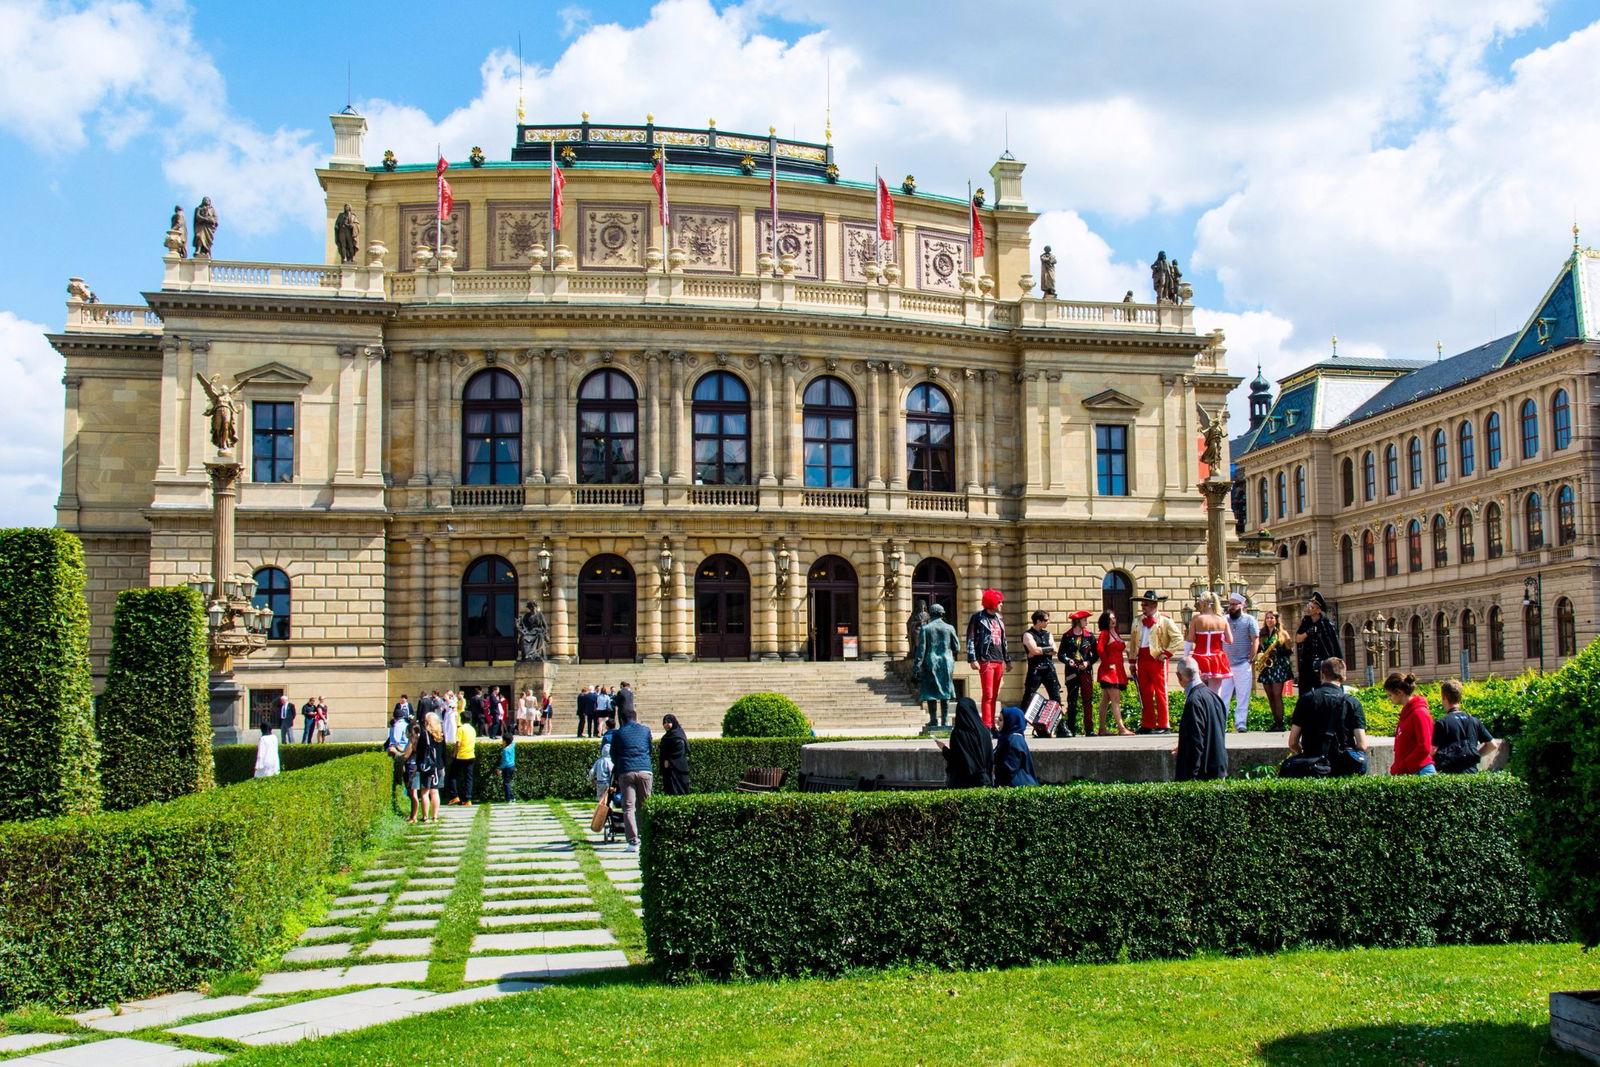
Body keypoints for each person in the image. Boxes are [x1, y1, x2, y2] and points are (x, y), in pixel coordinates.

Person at [1286, 657, 1368, 776]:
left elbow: (1293, 742)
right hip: (1343, 768)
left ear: (1322, 675)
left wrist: (1302, 754)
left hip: (1312, 766)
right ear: (1343, 677)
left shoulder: (1306, 699)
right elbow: (1362, 744)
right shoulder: (1352, 702)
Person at [1131, 590, 1184, 733]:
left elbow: (1178, 638)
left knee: (1160, 692)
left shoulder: (1165, 620)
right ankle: (1148, 724)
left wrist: (1166, 653)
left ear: (1154, 605)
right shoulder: (1137, 620)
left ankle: (1164, 724)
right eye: (1142, 604)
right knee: (1145, 692)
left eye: (1146, 604)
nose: (1143, 607)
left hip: (1157, 659)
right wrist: (1132, 661)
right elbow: (1133, 642)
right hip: (1142, 658)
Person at [1172, 654, 1227, 781]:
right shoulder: (1214, 697)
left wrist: (1191, 777)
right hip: (1218, 768)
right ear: (1200, 673)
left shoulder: (1194, 701)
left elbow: (1196, 740)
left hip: (1203, 773)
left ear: (1179, 676)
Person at [965, 588, 1011, 730]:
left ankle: (993, 725)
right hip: (986, 660)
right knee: (988, 694)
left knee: (995, 695)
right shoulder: (978, 618)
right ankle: (987, 725)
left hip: (998, 660)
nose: (1002, 604)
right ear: (992, 602)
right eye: (999, 602)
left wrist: (1007, 660)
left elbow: (1004, 641)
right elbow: (971, 638)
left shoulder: (1000, 619)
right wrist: (972, 658)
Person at [610, 707, 654, 852]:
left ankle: (633, 841)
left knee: (628, 807)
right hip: (645, 769)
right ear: (636, 717)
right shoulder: (645, 730)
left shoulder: (618, 733)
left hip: (626, 771)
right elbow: (650, 748)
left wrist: (619, 765)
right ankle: (646, 836)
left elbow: (613, 754)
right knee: (645, 804)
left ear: (622, 719)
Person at [1433, 679, 1498, 773]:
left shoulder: (1442, 723)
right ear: (1459, 697)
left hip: (1450, 775)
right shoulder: (1474, 721)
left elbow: (1432, 751)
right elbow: (1492, 745)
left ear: (1444, 697)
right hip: (1471, 774)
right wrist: (1475, 756)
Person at [1217, 592, 1260, 731]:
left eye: (1235, 604)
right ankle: (1221, 724)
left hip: (1242, 664)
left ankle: (1240, 723)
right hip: (1225, 665)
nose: (1232, 607)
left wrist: (1251, 658)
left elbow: (1255, 639)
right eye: (1230, 604)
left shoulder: (1249, 620)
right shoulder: (1224, 619)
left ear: (1242, 605)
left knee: (1243, 695)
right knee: (1223, 696)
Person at [1021, 610, 1064, 734]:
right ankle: (1019, 725)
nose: (1048, 622)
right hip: (1035, 670)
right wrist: (1043, 650)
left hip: (1049, 669)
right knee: (1028, 696)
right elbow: (1033, 650)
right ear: (1038, 621)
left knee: (1056, 697)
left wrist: (1039, 650)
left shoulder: (1048, 634)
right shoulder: (1027, 634)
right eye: (1045, 620)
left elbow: (1054, 650)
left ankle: (1060, 726)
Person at [936, 696, 993, 788]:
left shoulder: (958, 733)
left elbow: (956, 759)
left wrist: (943, 748)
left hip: (964, 783)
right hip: (985, 780)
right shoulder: (984, 730)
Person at [1386, 672, 1436, 776]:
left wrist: (1402, 766)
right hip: (1412, 771)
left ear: (1399, 692)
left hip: (1421, 771)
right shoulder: (1408, 713)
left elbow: (1424, 747)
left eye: (1390, 695)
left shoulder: (1419, 713)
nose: (1389, 698)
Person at [1058, 610, 1098, 737]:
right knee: (1072, 700)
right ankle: (1071, 728)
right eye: (1084, 620)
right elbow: (1060, 654)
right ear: (1078, 621)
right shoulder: (1067, 636)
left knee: (1088, 700)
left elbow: (1095, 655)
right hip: (1071, 672)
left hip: (1085, 671)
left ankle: (1089, 729)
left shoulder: (1089, 636)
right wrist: (1067, 660)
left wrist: (1088, 662)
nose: (1087, 622)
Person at [1294, 592, 1341, 698]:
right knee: (1305, 691)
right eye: (1308, 606)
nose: (1309, 608)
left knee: (1323, 689)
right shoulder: (1306, 622)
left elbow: (1333, 646)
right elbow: (1297, 639)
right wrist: (1308, 633)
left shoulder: (1326, 624)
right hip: (1307, 662)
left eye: (1312, 606)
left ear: (1318, 610)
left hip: (1323, 662)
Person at [1095, 610, 1133, 736]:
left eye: (1114, 617)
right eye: (1110, 618)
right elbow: (1099, 649)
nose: (1113, 620)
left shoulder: (1115, 632)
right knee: (1115, 699)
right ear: (1105, 620)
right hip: (1110, 670)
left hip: (1117, 668)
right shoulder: (1105, 633)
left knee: (1105, 700)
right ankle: (1121, 728)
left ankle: (1102, 728)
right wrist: (1107, 663)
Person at [1256, 610, 1294, 731]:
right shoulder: (1262, 634)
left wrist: (1278, 651)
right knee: (1270, 696)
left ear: (1276, 620)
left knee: (1277, 695)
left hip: (1279, 666)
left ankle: (1280, 723)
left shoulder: (1283, 634)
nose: (1269, 620)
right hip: (1267, 667)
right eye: (1267, 618)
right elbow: (1258, 649)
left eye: (1272, 618)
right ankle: (1275, 721)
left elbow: (1290, 651)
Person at [1186, 591, 1230, 694]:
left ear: (1204, 603)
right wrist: (1220, 636)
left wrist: (1185, 656)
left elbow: (1190, 638)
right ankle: (1216, 710)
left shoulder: (1197, 618)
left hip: (1199, 657)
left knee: (1197, 689)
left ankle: (1201, 709)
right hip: (1217, 657)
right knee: (1216, 692)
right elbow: (1230, 640)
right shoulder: (1222, 620)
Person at [992, 706, 1040, 786]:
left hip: (1018, 786)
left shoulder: (1014, 740)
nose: (997, 723)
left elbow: (1009, 768)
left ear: (1010, 721)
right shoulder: (1009, 737)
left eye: (1001, 720)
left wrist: (994, 769)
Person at [417, 711, 446, 823]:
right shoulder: (440, 734)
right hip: (439, 766)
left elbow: (420, 752)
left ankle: (425, 817)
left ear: (427, 722)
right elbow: (444, 752)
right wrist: (443, 766)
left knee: (425, 792)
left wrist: (419, 765)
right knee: (435, 792)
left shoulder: (424, 734)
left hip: (428, 767)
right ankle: (435, 816)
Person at [660, 714, 691, 795]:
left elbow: (679, 751)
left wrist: (668, 761)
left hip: (678, 769)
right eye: (664, 722)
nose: (666, 725)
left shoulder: (678, 735)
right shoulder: (666, 737)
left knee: (679, 791)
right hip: (668, 771)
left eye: (669, 722)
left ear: (673, 723)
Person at [452, 714, 478, 804]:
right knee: (468, 778)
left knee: (453, 775)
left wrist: (454, 753)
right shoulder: (473, 729)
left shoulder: (460, 729)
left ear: (461, 719)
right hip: (471, 755)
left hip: (461, 755)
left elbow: (458, 743)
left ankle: (454, 796)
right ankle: (468, 799)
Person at [498, 734, 517, 803]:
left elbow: (505, 761)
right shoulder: (512, 746)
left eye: (502, 740)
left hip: (507, 768)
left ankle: (508, 799)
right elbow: (513, 742)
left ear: (505, 741)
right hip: (512, 766)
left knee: (506, 783)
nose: (502, 741)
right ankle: (512, 797)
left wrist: (500, 768)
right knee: (507, 783)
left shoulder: (505, 750)